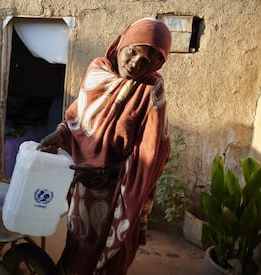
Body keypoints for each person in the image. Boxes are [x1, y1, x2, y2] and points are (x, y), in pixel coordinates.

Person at [37, 18, 172, 274]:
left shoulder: (152, 92)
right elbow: (78, 117)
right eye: (132, 52)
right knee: (78, 238)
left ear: (157, 64)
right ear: (121, 43)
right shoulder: (97, 70)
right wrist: (61, 133)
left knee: (103, 251)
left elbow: (151, 154)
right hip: (82, 183)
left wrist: (104, 173)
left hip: (115, 190)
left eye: (146, 61)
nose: (134, 64)